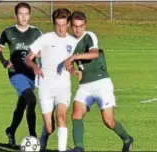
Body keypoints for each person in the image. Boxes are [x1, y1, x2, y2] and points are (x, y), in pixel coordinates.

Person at [64, 11, 134, 152]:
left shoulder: (89, 36)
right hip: (85, 86)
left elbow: (94, 54)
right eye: (75, 26)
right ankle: (79, 148)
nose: (78, 30)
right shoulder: (69, 42)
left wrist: (74, 57)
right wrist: (73, 70)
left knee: (108, 121)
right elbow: (69, 65)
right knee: (76, 114)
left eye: (81, 26)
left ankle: (127, 139)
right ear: (71, 26)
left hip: (101, 83)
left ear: (85, 25)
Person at [25, 8, 78, 151]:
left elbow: (75, 64)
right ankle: (43, 139)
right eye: (57, 25)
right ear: (54, 24)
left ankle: (62, 149)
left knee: (61, 116)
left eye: (63, 25)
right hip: (45, 86)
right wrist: (35, 66)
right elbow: (28, 58)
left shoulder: (73, 42)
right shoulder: (46, 38)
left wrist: (75, 71)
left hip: (63, 87)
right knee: (49, 128)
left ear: (68, 24)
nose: (60, 28)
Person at [0, 2, 42, 147]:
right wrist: (3, 61)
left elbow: (43, 50)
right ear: (15, 15)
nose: (24, 17)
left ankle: (11, 130)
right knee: (32, 100)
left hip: (31, 75)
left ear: (30, 15)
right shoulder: (8, 32)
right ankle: (33, 137)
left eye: (26, 14)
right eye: (20, 14)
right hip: (16, 74)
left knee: (22, 105)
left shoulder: (36, 32)